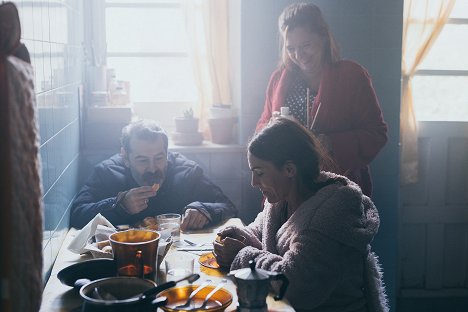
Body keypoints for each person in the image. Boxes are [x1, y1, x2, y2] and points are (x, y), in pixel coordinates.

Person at [214, 118, 388, 312]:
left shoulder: (332, 214)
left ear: (289, 169)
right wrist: (238, 236)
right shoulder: (283, 198)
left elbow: (294, 285)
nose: (254, 182)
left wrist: (243, 255)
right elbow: (260, 231)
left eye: (260, 173)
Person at [256, 2, 388, 197]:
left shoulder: (352, 75)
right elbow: (261, 129)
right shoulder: (278, 79)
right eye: (291, 48)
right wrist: (272, 129)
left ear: (324, 37)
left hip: (338, 192)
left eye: (306, 45)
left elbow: (376, 134)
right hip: (288, 193)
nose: (299, 56)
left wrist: (330, 142)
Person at [70, 119, 237, 229]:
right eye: (142, 160)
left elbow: (229, 207)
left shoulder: (187, 172)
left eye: (159, 158)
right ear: (125, 157)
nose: (152, 168)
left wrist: (204, 210)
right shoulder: (107, 173)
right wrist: (119, 206)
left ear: (167, 153)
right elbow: (77, 214)